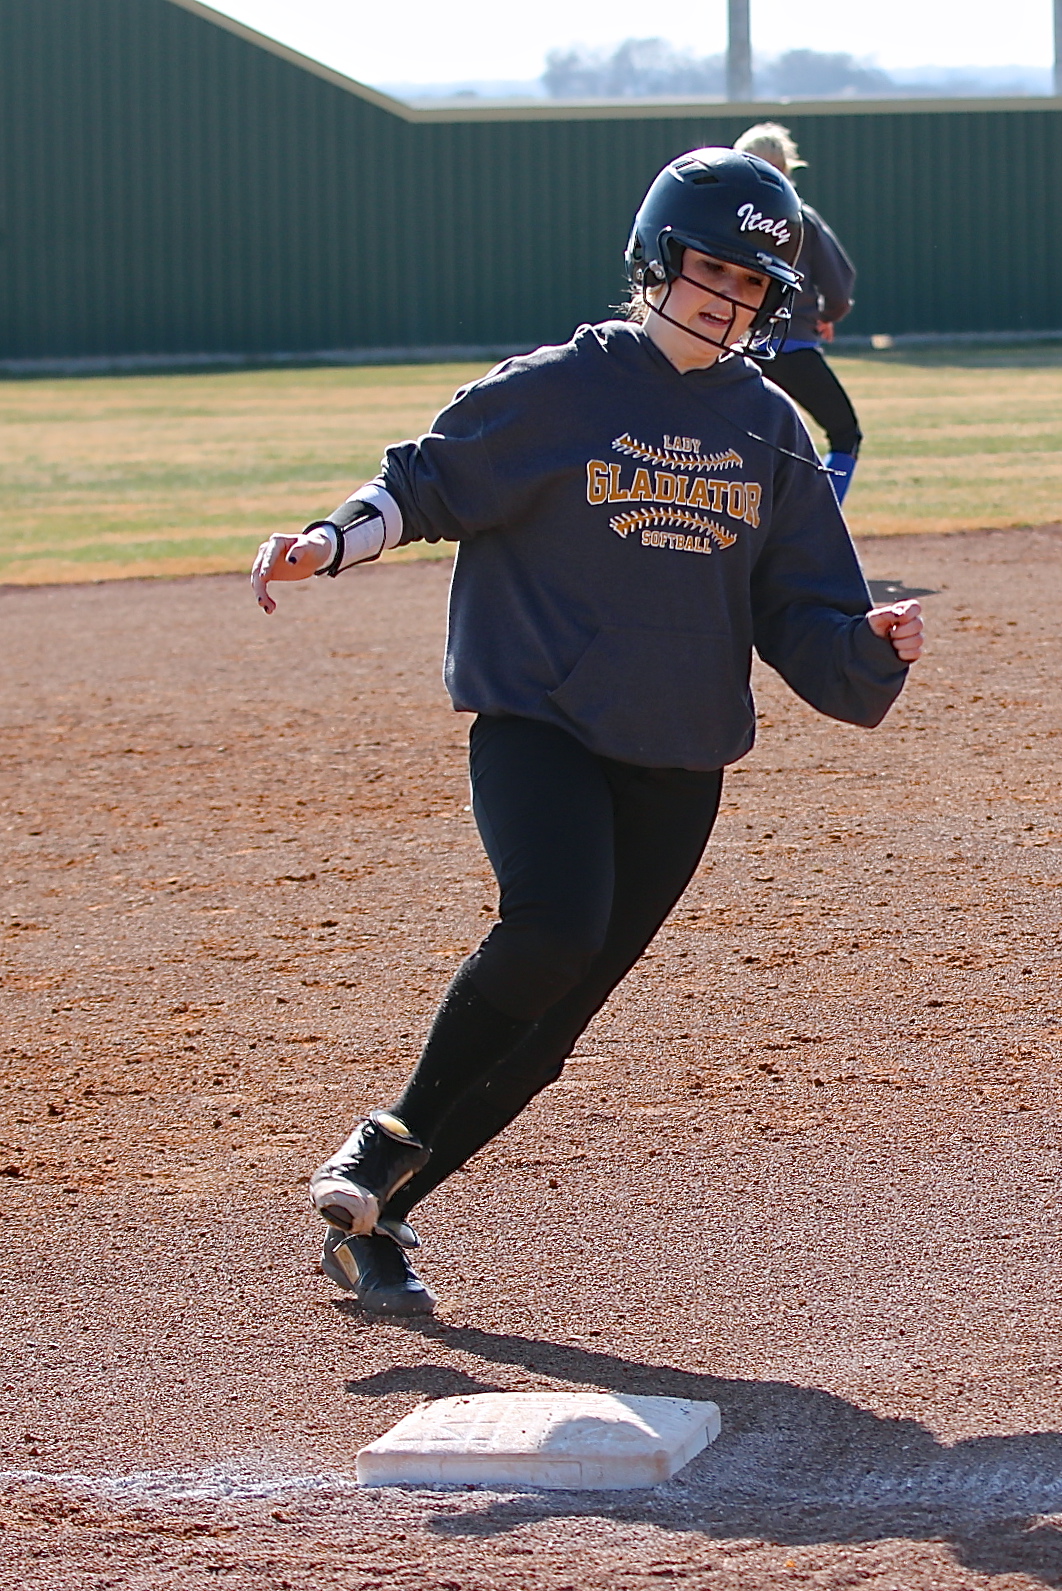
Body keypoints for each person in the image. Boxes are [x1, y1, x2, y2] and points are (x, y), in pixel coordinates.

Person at [249, 147, 925, 1314]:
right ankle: (386, 1138)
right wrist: (328, 540)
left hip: (680, 756)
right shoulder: (560, 387)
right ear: (657, 259)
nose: (726, 298)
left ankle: (377, 1219)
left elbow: (801, 610)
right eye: (710, 268)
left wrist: (868, 645)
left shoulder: (768, 428)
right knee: (553, 926)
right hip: (544, 721)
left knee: (550, 1031)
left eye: (752, 284)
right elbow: (424, 484)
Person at [733, 123, 863, 506]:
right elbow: (840, 284)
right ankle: (820, 524)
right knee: (845, 433)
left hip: (737, 348)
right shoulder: (800, 218)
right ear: (786, 168)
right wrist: (828, 315)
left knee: (743, 442)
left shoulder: (728, 218)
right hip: (793, 346)